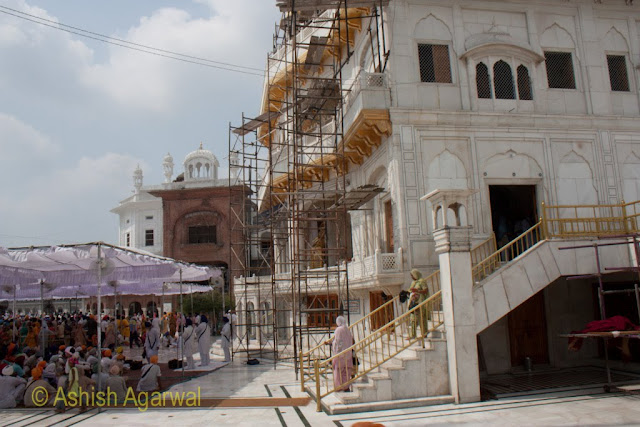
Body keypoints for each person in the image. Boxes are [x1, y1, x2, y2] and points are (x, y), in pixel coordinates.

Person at [330, 316, 354, 392]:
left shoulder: (338, 330)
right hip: (348, 353)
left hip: (340, 354)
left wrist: (335, 351)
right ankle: (346, 386)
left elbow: (338, 342)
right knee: (346, 371)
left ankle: (338, 386)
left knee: (338, 371)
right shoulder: (347, 329)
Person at [407, 269, 430, 339]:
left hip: (420, 301)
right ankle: (412, 334)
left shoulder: (421, 281)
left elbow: (425, 290)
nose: (412, 277)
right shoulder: (414, 282)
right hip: (413, 302)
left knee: (422, 318)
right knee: (413, 319)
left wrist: (418, 291)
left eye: (412, 275)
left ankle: (424, 333)